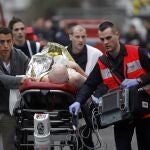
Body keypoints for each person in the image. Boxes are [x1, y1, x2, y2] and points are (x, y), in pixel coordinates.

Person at [69, 21, 150, 150]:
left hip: (144, 112)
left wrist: (138, 80)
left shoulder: (137, 51)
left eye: (108, 38)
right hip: (122, 114)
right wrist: (78, 102)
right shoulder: (102, 62)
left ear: (117, 35)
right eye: (102, 39)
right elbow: (89, 84)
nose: (105, 42)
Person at [67, 25, 103, 149]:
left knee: (85, 137)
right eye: (77, 37)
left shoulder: (96, 54)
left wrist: (97, 96)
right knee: (73, 139)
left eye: (83, 37)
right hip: (67, 100)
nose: (80, 40)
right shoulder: (62, 55)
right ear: (70, 37)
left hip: (87, 100)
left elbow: (103, 79)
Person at [0, 27, 34, 150]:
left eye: (8, 41)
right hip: (3, 108)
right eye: (1, 42)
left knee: (16, 145)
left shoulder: (19, 55)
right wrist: (22, 80)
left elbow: (32, 71)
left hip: (14, 110)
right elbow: (3, 79)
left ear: (12, 41)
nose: (5, 45)